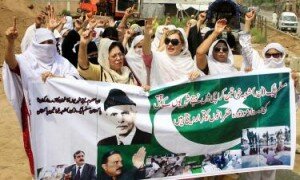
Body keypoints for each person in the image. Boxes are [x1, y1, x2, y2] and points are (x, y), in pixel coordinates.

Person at [3, 18, 80, 176]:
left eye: (50, 43)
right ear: (35, 44)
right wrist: (10, 43)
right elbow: (11, 63)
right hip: (34, 120)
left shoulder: (62, 63)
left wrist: (58, 81)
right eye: (43, 43)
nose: (47, 47)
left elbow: (77, 83)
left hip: (61, 120)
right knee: (38, 156)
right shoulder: (26, 61)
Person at [143, 19, 203, 88]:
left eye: (174, 42)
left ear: (183, 45)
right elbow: (146, 53)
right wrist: (147, 35)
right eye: (167, 41)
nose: (170, 44)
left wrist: (197, 76)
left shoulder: (189, 63)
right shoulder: (158, 57)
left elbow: (202, 84)